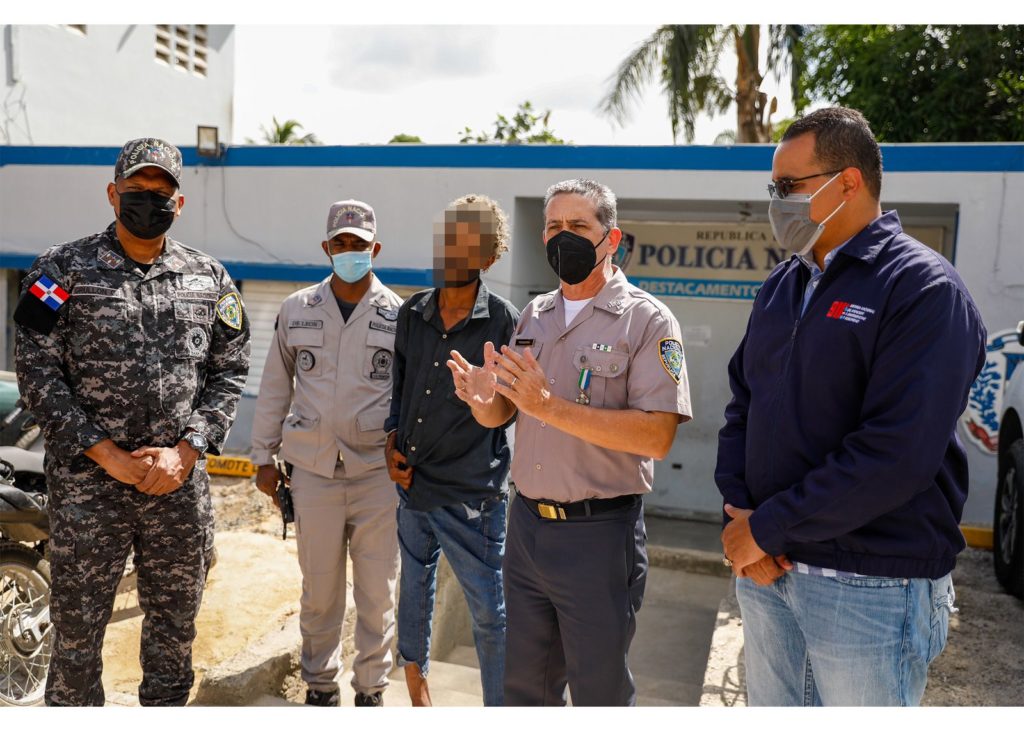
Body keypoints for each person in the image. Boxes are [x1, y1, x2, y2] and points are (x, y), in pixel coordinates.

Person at [715, 106, 987, 706]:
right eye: (773, 188)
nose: (777, 201)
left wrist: (765, 527)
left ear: (848, 182)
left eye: (790, 186)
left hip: (870, 586)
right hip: (769, 573)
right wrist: (741, 515)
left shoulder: (922, 289)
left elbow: (897, 453)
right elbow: (743, 405)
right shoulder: (783, 285)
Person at [13, 138, 250, 706]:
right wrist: (108, 455)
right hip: (88, 491)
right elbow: (36, 372)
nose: (150, 201)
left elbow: (231, 370)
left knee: (173, 638)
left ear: (180, 202)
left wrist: (188, 451)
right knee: (76, 644)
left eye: (162, 192)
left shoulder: (209, 278)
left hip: (176, 489)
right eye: (138, 191)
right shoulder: (58, 270)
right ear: (112, 193)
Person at [449, 179, 692, 706]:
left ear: (613, 237)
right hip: (528, 528)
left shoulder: (647, 320)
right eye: (554, 227)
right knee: (524, 691)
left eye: (579, 226)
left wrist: (549, 406)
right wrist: (480, 400)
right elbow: (507, 412)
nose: (564, 237)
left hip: (598, 535)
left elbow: (657, 435)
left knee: (598, 693)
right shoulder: (534, 315)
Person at [250, 200, 402, 707]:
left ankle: (370, 690)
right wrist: (262, 457)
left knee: (377, 591)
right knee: (319, 590)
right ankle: (319, 687)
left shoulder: (399, 316)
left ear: (375, 249)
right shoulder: (297, 308)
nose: (350, 252)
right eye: (341, 244)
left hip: (377, 474)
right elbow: (275, 385)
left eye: (360, 245)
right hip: (312, 471)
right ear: (327, 248)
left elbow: (409, 395)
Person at [385, 194, 519, 706]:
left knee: (489, 611)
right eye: (447, 239)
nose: (451, 251)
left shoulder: (505, 323)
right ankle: (417, 688)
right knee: (413, 590)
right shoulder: (412, 312)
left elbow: (508, 410)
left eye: (466, 243)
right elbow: (399, 391)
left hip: (472, 498)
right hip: (413, 485)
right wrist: (390, 444)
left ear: (488, 256)